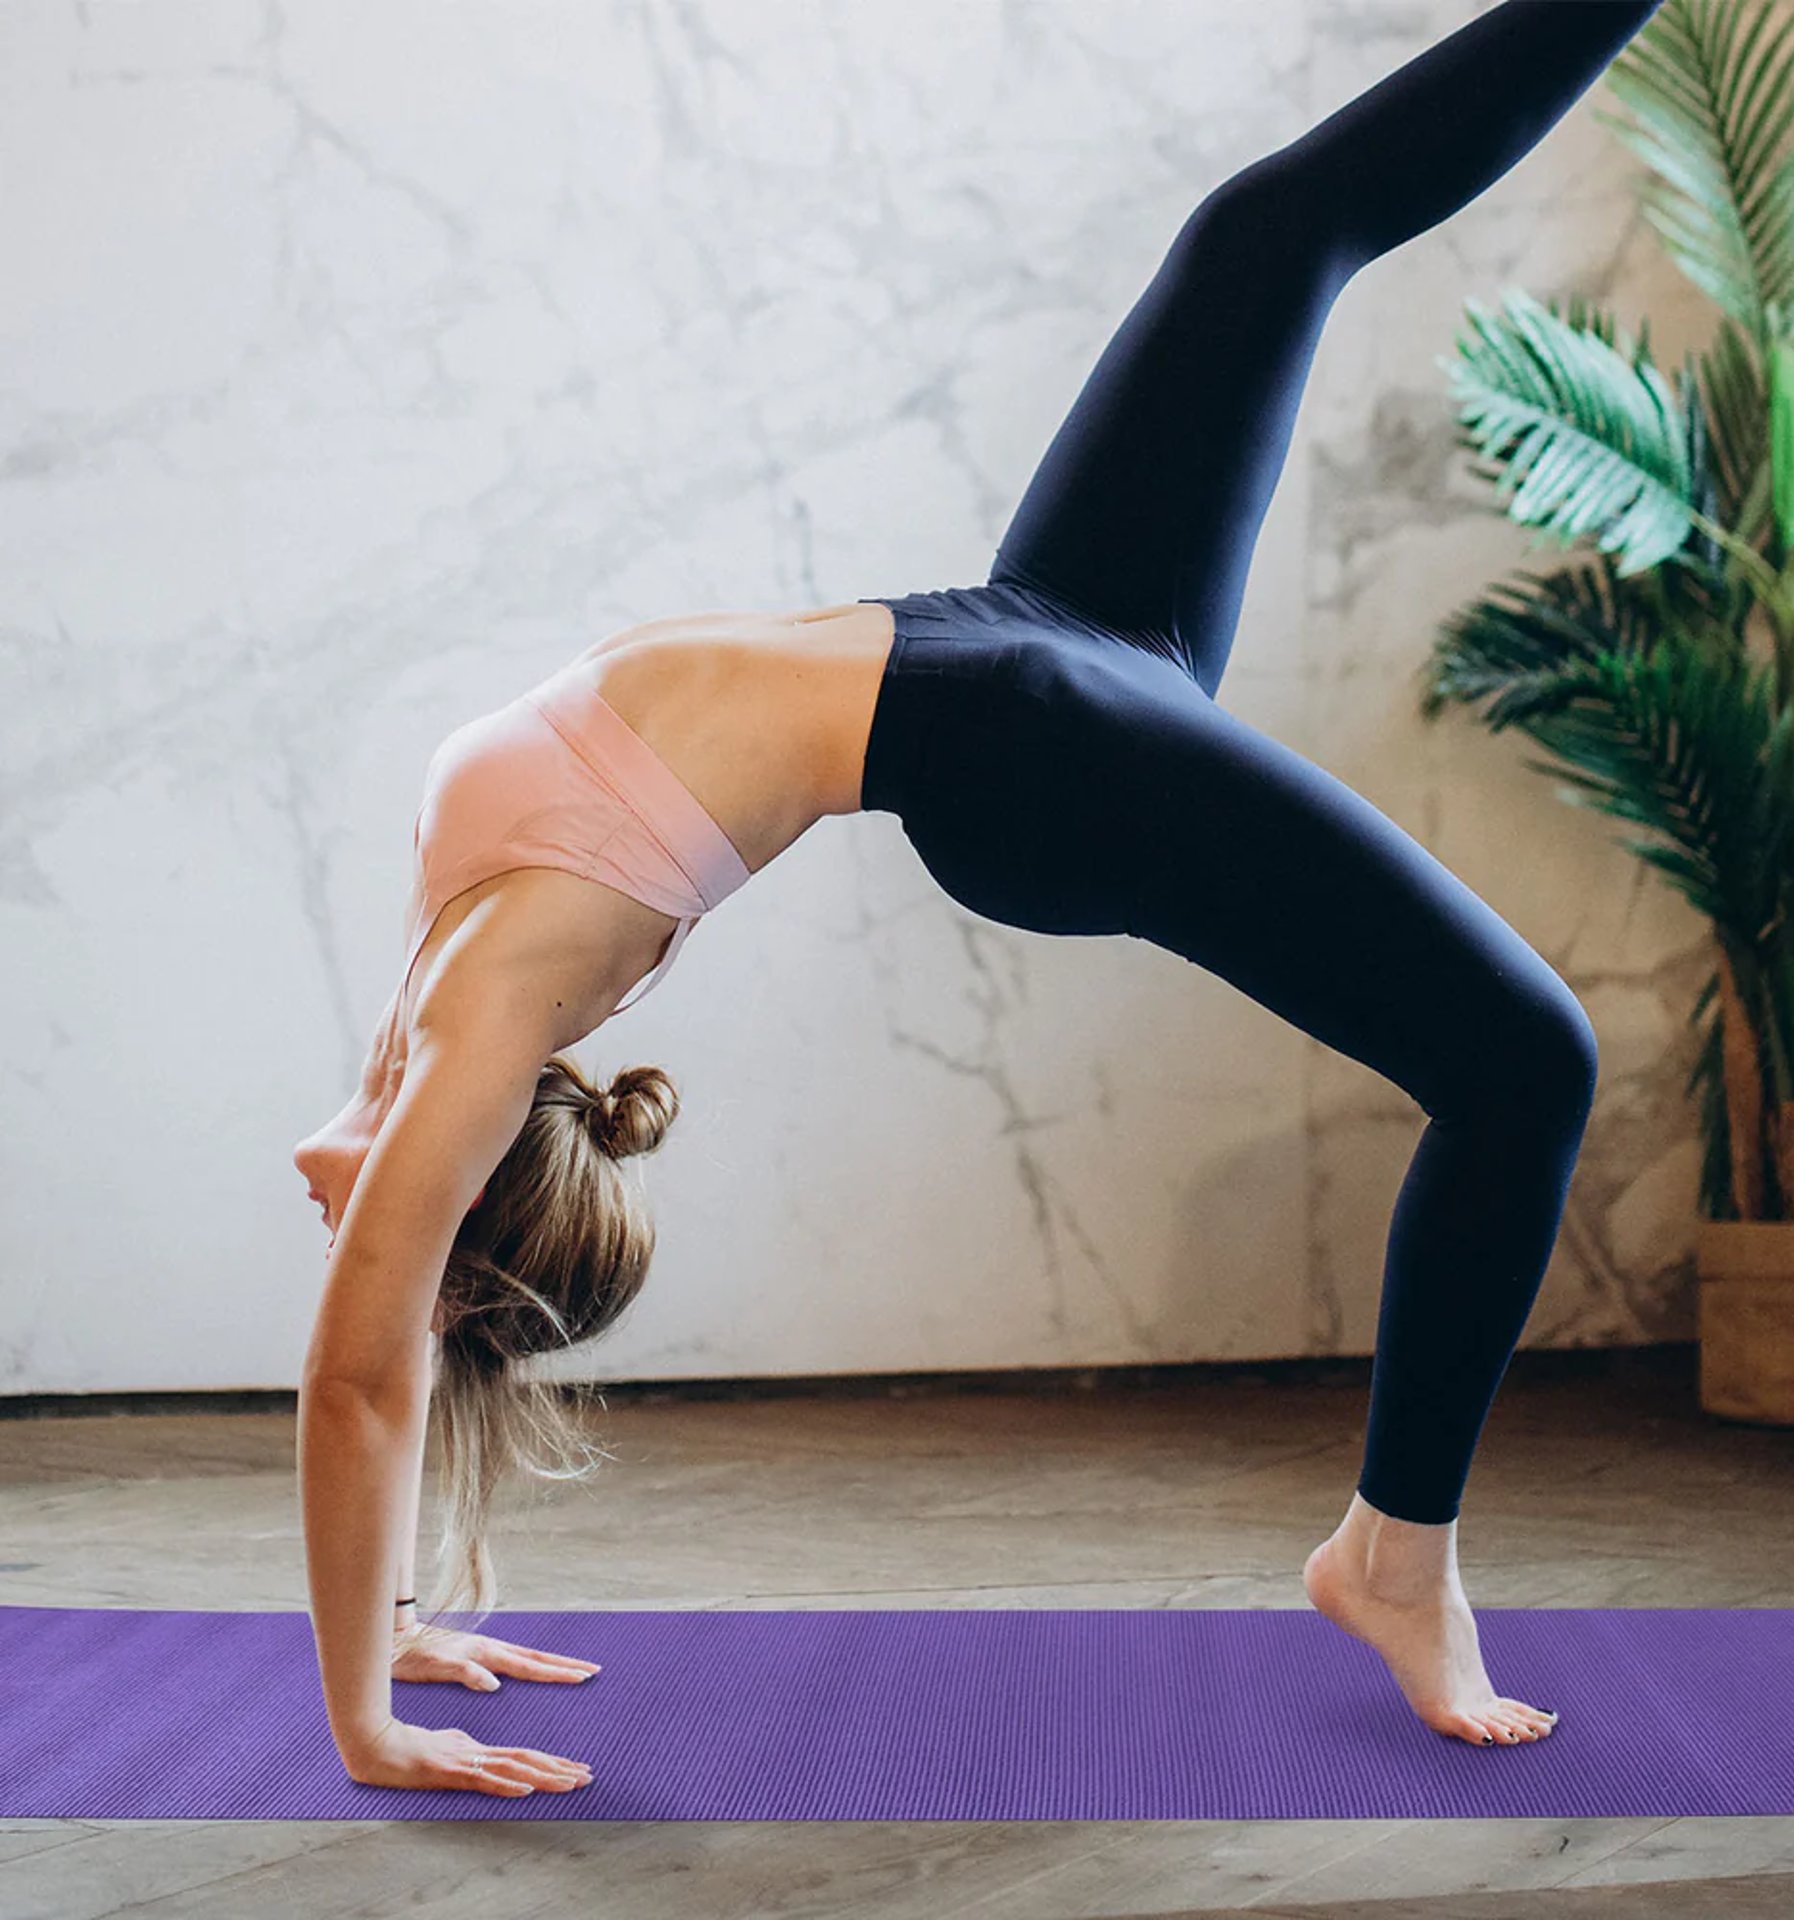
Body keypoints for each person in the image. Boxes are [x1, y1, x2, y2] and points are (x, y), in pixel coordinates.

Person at [294, 0, 1665, 1797]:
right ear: (462, 1203)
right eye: (389, 1240)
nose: (342, 1226)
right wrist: (362, 1719)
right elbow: (364, 1383)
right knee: (1527, 1062)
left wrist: (394, 1596)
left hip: (1040, 631)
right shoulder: (490, 1011)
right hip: (1028, 752)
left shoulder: (434, 964)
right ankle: (1393, 1558)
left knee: (1270, 230)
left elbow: (399, 1330)